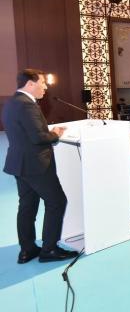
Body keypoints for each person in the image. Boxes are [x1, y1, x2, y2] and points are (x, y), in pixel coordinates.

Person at [2, 69, 79, 263]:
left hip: (19, 163)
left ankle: (27, 250)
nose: (45, 87)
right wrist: (56, 134)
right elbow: (38, 138)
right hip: (36, 165)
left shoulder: (12, 102)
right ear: (30, 84)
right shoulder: (27, 105)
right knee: (57, 202)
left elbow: (26, 132)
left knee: (27, 206)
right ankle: (49, 249)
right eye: (42, 83)